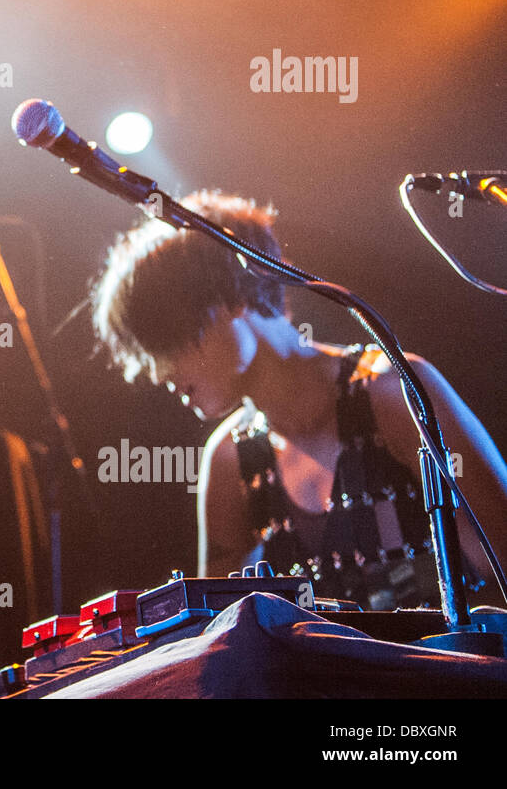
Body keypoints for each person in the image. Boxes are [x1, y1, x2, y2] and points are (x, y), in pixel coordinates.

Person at [88, 189, 507, 611]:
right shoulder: (229, 458)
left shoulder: (392, 391)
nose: (160, 373)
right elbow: (214, 635)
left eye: (168, 342)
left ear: (233, 298)